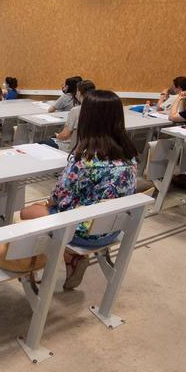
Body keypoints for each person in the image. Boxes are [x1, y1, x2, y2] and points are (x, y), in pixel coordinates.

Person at [19, 90, 137, 289]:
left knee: (27, 212)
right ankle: (70, 257)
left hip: (83, 232)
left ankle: (61, 257)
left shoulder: (85, 159)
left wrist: (46, 204)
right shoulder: (130, 156)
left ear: (87, 119)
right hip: (113, 228)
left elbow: (59, 198)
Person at [43, 80, 96, 150]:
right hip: (91, 147)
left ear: (79, 92)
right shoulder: (98, 110)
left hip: (72, 148)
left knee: (41, 142)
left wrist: (57, 136)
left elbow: (65, 135)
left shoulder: (76, 111)